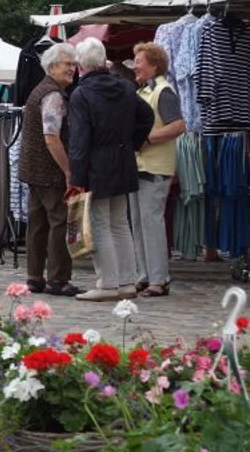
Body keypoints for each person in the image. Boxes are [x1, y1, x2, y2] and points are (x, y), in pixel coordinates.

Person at [67, 38, 155, 302]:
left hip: (97, 163)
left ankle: (107, 283)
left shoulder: (81, 94)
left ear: (81, 65)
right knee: (120, 223)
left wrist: (77, 177)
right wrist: (133, 142)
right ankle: (127, 281)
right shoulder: (125, 86)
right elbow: (147, 116)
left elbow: (79, 140)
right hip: (123, 158)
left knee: (100, 224)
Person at [18, 43, 83, 297]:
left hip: (34, 169)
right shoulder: (53, 94)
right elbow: (51, 137)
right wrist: (68, 170)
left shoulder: (40, 90)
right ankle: (58, 279)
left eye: (73, 64)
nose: (72, 69)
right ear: (52, 66)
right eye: (68, 64)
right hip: (49, 170)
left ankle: (34, 277)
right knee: (59, 222)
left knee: (38, 223)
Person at [130, 42, 187, 297]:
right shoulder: (142, 92)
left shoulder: (163, 91)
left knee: (151, 224)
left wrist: (148, 138)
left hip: (155, 168)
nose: (135, 66)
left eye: (139, 61)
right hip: (139, 166)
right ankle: (144, 275)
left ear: (153, 65)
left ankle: (159, 278)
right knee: (139, 224)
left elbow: (178, 126)